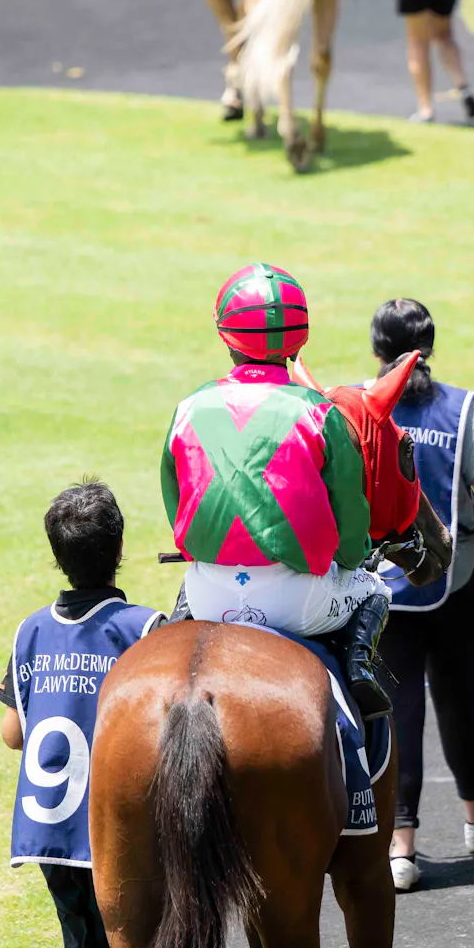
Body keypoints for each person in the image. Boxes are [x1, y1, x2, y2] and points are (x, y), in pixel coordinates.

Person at [161, 262, 394, 718]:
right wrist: (352, 558)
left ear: (226, 335)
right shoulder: (321, 413)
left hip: (208, 594)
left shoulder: (187, 408)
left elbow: (177, 504)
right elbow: (350, 529)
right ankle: (358, 677)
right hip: (297, 604)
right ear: (299, 338)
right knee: (377, 589)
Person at [0, 480, 163, 948]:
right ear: (118, 551)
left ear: (56, 555)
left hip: (50, 832)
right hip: (116, 833)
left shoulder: (30, 631)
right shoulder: (145, 630)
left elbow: (14, 734)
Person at [367, 298, 474, 893]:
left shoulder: (351, 404)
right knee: (457, 698)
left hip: (379, 588)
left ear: (377, 347)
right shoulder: (460, 408)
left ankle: (400, 849)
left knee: (398, 709)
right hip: (451, 583)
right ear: (429, 345)